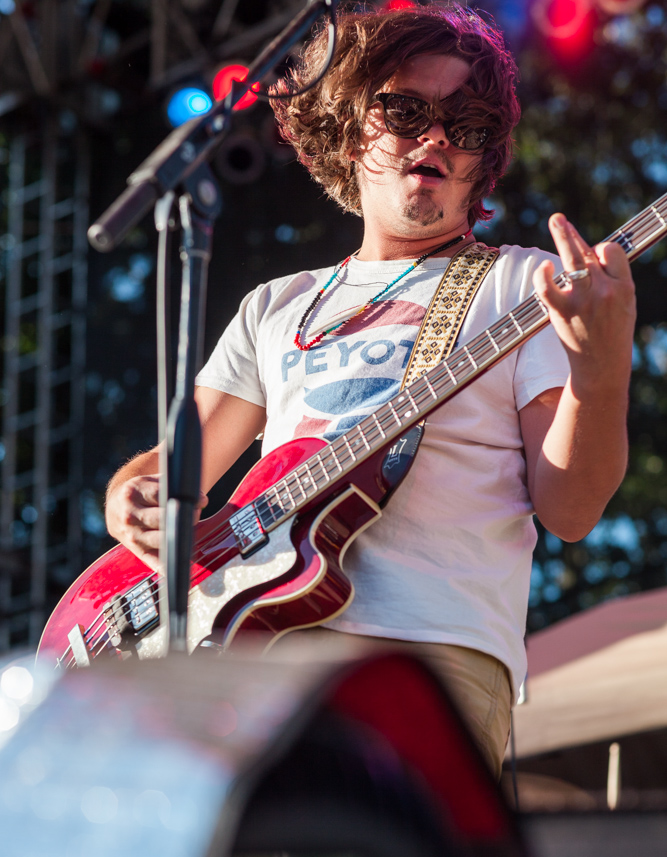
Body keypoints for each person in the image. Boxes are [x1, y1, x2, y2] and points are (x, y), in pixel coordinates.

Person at [104, 4, 636, 778]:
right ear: (353, 129)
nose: (437, 135)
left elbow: (572, 508)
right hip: (249, 659)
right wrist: (128, 497)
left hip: (426, 657)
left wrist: (599, 369)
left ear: (481, 161)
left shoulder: (522, 285)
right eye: (405, 110)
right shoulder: (275, 305)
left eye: (467, 123)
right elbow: (168, 467)